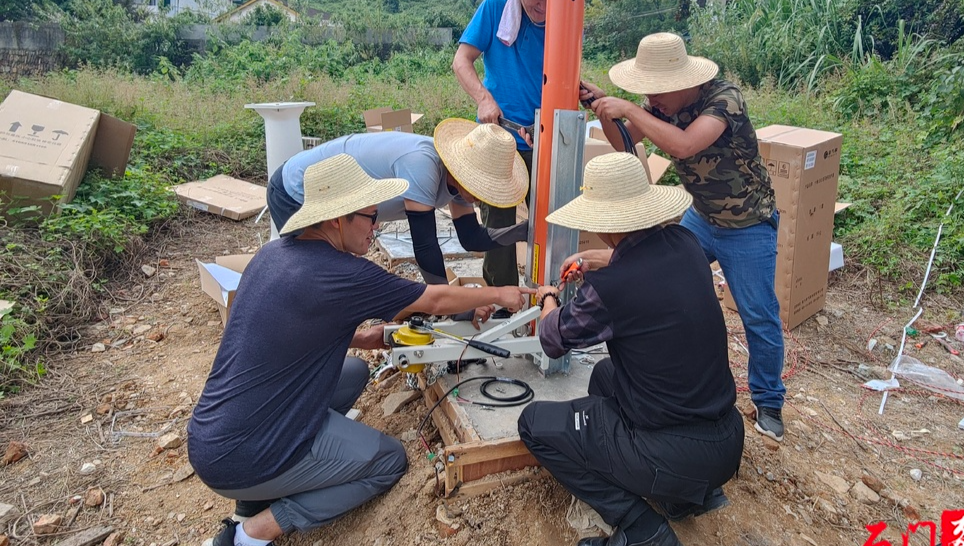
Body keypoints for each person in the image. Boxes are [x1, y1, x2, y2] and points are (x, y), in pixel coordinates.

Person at [189, 154, 533, 546]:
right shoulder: (345, 273)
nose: (376, 227)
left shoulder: (272, 255)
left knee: (353, 371)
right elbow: (433, 300)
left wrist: (363, 338)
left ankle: (269, 486)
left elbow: (275, 326)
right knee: (388, 461)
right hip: (247, 456)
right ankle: (252, 532)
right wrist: (503, 292)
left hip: (212, 435)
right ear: (338, 220)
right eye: (370, 218)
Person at [519, 153, 744, 546]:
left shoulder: (611, 291)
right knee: (605, 375)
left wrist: (548, 298)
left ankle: (642, 528)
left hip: (673, 453)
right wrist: (598, 260)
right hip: (726, 441)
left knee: (534, 425)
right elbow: (643, 261)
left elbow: (553, 340)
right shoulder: (686, 243)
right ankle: (679, 497)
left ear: (603, 223)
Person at [580, 32, 786, 441]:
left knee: (758, 315)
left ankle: (768, 401)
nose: (651, 100)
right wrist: (606, 108)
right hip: (702, 217)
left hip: (747, 225)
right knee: (658, 273)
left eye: (656, 92)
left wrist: (630, 111)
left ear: (681, 81)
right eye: (646, 94)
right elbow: (624, 143)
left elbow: (687, 145)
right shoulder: (660, 105)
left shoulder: (724, 100)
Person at [452, 0, 592, 287]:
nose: (541, 4)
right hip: (499, 136)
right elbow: (461, 61)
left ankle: (552, 291)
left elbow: (559, 74)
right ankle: (501, 300)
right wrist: (484, 100)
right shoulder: (495, 8)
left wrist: (580, 89)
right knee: (498, 223)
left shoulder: (566, 17)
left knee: (554, 218)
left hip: (545, 136)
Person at [266, 121, 529, 285]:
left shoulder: (458, 183)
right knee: (311, 273)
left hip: (333, 197)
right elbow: (425, 246)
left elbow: (471, 237)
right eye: (479, 186)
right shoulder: (423, 164)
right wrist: (449, 305)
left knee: (328, 271)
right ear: (463, 172)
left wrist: (521, 232)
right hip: (297, 189)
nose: (481, 195)